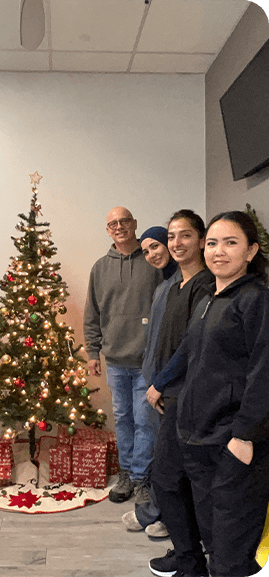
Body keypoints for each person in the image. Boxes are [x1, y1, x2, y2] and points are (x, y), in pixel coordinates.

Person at [150, 211, 269, 577]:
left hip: (232, 443)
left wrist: (244, 437)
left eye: (231, 243)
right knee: (214, 541)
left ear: (250, 251)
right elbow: (188, 352)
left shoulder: (256, 300)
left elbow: (264, 373)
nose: (219, 251)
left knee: (232, 553)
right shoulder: (208, 300)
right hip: (198, 441)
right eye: (214, 243)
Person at [83, 207, 163, 503]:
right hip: (115, 361)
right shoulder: (100, 268)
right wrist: (93, 352)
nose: (119, 227)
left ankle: (142, 478)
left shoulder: (154, 261)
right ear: (108, 230)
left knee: (145, 421)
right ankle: (126, 474)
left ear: (134, 224)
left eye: (124, 221)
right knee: (123, 420)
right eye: (113, 224)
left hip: (146, 362)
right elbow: (92, 313)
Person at [121, 225, 180, 537]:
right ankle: (154, 512)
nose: (153, 253)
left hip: (172, 383)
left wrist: (160, 382)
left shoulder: (186, 284)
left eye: (157, 245)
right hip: (159, 379)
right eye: (146, 250)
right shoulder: (166, 283)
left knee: (168, 456)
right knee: (165, 453)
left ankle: (163, 516)